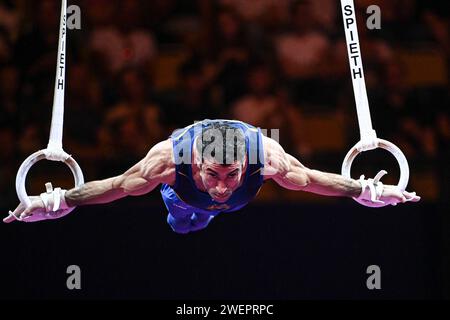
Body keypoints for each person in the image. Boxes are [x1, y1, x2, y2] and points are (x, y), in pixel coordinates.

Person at [4, 119, 420, 233]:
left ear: (246, 164)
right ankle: (187, 213)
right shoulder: (167, 163)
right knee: (185, 223)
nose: (222, 185)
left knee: (213, 208)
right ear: (194, 163)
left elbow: (312, 179)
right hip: (183, 202)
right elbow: (113, 187)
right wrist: (57, 200)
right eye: (213, 174)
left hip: (201, 189)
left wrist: (365, 189)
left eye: (232, 174)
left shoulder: (268, 159)